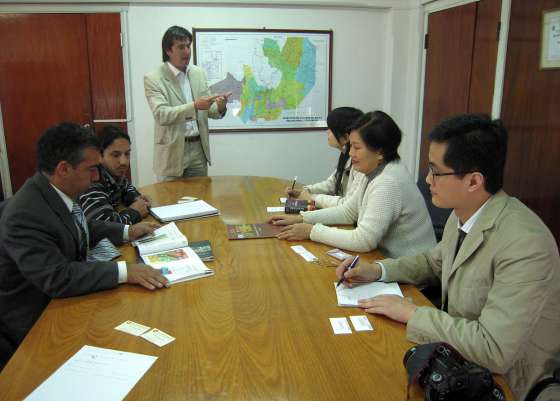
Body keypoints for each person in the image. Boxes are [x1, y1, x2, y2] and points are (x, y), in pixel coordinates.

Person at [335, 114, 560, 400]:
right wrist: (377, 270)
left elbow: (494, 349)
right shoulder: (463, 213)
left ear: (474, 181)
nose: (427, 180)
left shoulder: (526, 244)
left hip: (509, 384)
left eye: (436, 171)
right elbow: (433, 262)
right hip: (456, 360)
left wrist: (412, 312)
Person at [0, 123, 169, 368]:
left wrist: (126, 231)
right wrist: (125, 271)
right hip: (39, 322)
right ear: (64, 169)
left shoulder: (54, 191)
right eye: (91, 169)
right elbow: (57, 277)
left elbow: (81, 225)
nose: (96, 176)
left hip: (62, 301)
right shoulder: (25, 215)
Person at [270, 111, 435, 257]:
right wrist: (302, 219)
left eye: (357, 147)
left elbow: (364, 240)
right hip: (383, 260)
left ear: (380, 151)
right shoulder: (372, 169)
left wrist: (312, 231)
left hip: (411, 278)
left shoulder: (388, 182)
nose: (350, 153)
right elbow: (349, 212)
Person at [144, 25, 231, 180]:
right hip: (171, 152)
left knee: (200, 199)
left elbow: (208, 110)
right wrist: (195, 106)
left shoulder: (198, 73)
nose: (187, 51)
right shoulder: (153, 78)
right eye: (181, 47)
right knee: (170, 201)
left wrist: (220, 106)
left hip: (198, 150)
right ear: (168, 50)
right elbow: (161, 115)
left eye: (188, 46)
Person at [287, 107, 365, 209]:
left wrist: (311, 197)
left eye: (331, 129)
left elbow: (346, 204)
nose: (327, 132)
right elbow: (332, 183)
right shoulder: (345, 156)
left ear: (345, 137)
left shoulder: (359, 164)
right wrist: (304, 191)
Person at [79, 125, 151, 225]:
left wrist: (136, 198)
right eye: (116, 155)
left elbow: (126, 187)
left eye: (127, 154)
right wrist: (135, 212)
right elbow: (105, 225)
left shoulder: (114, 173)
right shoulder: (93, 179)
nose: (124, 162)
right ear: (99, 155)